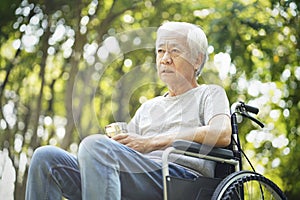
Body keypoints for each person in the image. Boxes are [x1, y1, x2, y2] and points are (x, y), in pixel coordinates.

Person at [25, 21, 231, 200]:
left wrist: (152, 142)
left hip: (180, 179)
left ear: (197, 59)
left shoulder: (210, 93)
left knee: (94, 145)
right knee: (46, 157)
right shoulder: (149, 107)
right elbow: (125, 150)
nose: (165, 59)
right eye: (160, 51)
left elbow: (221, 134)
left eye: (175, 51)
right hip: (137, 175)